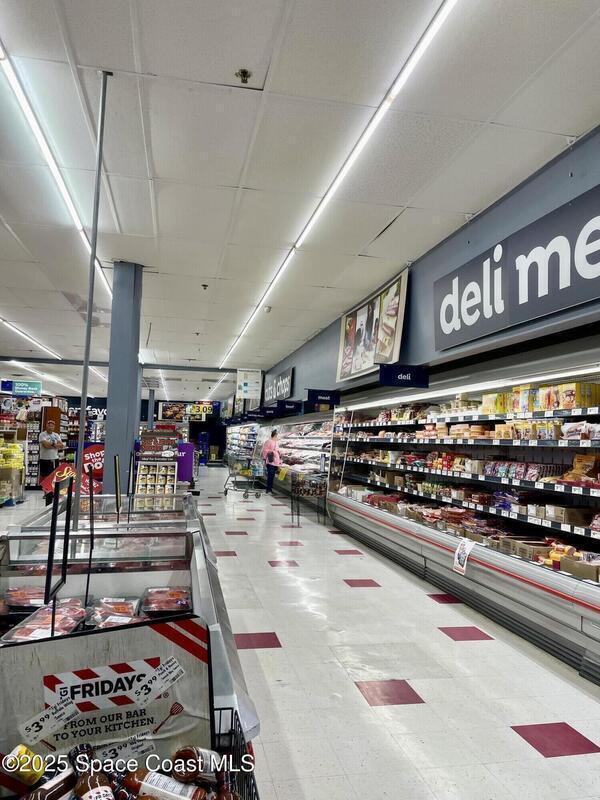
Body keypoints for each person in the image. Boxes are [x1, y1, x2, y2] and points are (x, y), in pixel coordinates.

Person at [39, 419, 63, 504]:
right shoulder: (42, 434)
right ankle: (46, 493)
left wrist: (52, 445)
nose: (50, 427)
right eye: (49, 425)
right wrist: (55, 445)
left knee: (54, 477)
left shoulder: (56, 435)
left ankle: (52, 492)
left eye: (52, 426)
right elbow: (45, 445)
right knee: (45, 477)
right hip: (44, 459)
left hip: (54, 459)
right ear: (46, 426)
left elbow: (61, 445)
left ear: (54, 427)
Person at [261, 429, 281, 494]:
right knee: (270, 475)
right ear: (274, 435)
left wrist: (279, 458)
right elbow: (265, 450)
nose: (278, 437)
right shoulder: (268, 441)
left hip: (276, 462)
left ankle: (270, 489)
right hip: (270, 461)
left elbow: (277, 451)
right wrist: (265, 458)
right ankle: (268, 489)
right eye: (277, 436)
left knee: (272, 476)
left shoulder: (276, 442)